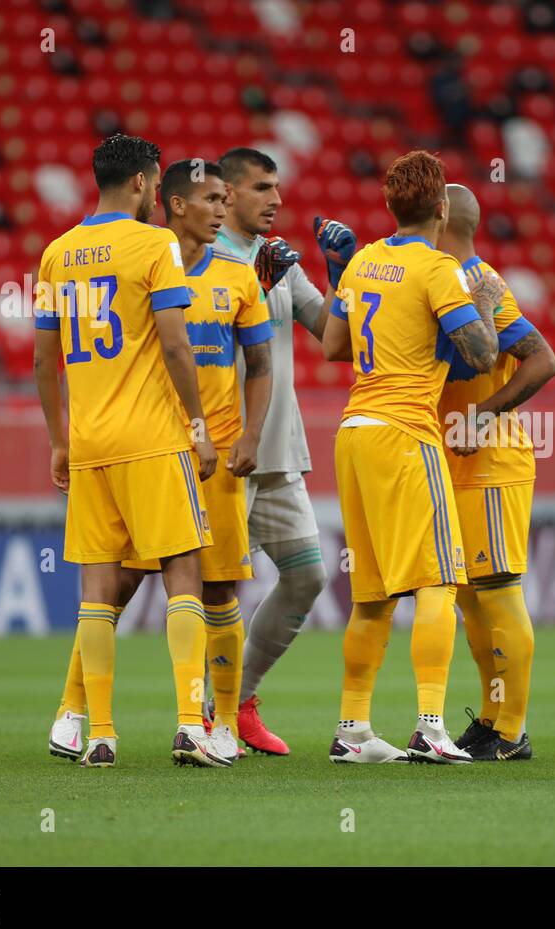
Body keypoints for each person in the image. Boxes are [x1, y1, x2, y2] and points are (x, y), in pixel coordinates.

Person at [34, 134, 217, 768]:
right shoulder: (155, 244)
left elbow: (42, 358)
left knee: (95, 587)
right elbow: (174, 346)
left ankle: (99, 733)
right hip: (152, 439)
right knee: (183, 574)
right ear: (143, 184)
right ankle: (192, 724)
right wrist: (197, 423)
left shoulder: (57, 253)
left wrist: (60, 441)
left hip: (88, 445)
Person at [320, 150, 505, 763]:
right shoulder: (438, 268)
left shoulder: (366, 261)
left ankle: (352, 730)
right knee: (441, 579)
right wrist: (478, 299)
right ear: (442, 208)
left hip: (354, 431)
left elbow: (333, 345)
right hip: (406, 431)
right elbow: (482, 356)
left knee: (372, 597)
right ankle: (430, 724)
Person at [204, 146, 347, 755]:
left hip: (278, 451)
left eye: (278, 187)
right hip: (223, 451)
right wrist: (256, 289)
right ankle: (203, 718)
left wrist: (340, 272)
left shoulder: (280, 263)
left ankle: (238, 702)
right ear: (228, 194)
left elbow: (335, 342)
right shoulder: (199, 260)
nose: (277, 199)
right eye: (263, 188)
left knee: (307, 577)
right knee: (218, 591)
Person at [435, 182, 555, 761]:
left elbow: (543, 360)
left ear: (441, 217)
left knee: (499, 591)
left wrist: (483, 415)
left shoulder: (484, 284)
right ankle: (489, 717)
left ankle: (512, 730)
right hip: (450, 462)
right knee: (467, 598)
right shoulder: (437, 277)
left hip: (491, 465)